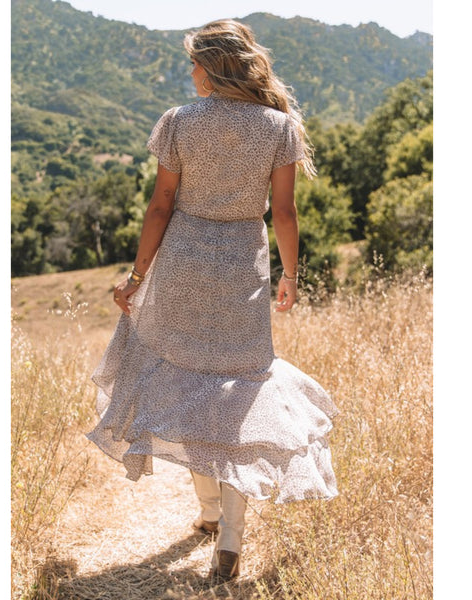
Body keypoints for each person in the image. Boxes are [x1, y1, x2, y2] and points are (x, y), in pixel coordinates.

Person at [86, 19, 338, 580]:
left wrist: (136, 276)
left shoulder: (179, 122)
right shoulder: (279, 126)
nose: (191, 73)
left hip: (182, 267)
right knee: (238, 395)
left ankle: (207, 510)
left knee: (187, 386)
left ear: (210, 66)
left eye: (193, 63)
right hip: (241, 272)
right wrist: (290, 274)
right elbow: (284, 212)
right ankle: (228, 536)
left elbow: (160, 206)